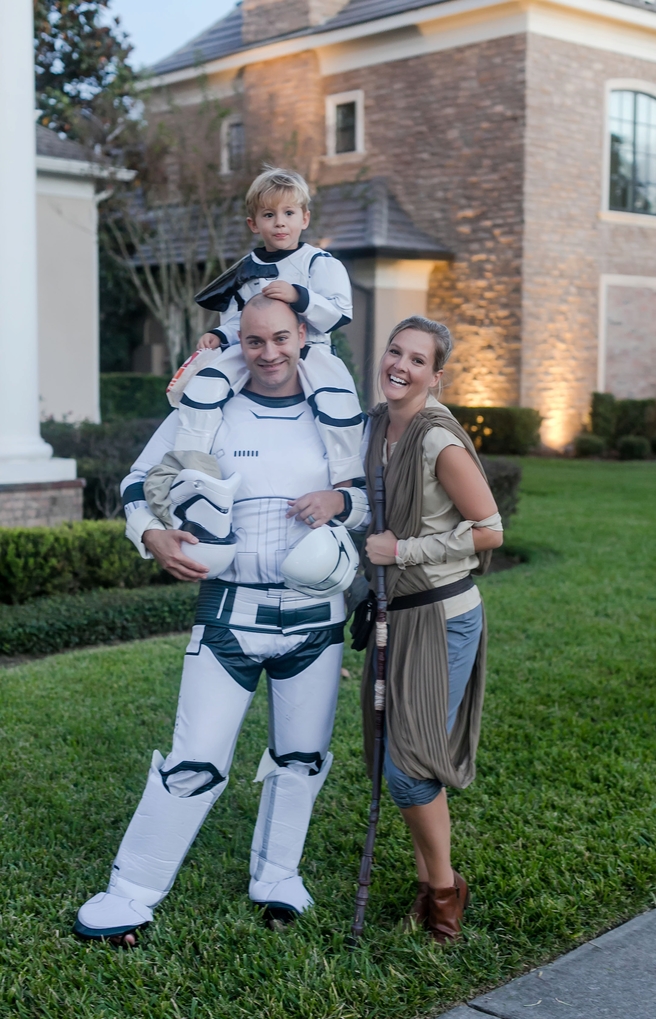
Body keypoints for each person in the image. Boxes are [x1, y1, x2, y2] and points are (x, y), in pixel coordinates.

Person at [75, 295, 369, 946]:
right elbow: (139, 481)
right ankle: (130, 893)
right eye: (255, 339)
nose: (268, 353)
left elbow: (376, 492)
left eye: (281, 338)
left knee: (301, 757)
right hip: (231, 610)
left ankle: (278, 877)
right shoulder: (209, 407)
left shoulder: (335, 411)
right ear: (238, 337)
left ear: (303, 336)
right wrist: (150, 533)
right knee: (195, 762)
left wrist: (342, 498)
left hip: (317, 615)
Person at [362, 315, 503, 945]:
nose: (402, 366)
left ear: (435, 375)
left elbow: (491, 530)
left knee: (409, 766)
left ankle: (444, 892)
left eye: (418, 360)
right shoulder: (376, 426)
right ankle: (428, 882)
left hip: (441, 615)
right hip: (397, 615)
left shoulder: (437, 440)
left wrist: (404, 551)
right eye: (396, 351)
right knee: (396, 756)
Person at [167, 166, 363, 487]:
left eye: (288, 213)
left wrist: (299, 296)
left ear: (305, 218)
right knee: (205, 383)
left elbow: (339, 312)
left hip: (312, 351)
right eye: (269, 215)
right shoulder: (246, 270)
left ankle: (347, 479)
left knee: (338, 400)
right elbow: (238, 320)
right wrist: (219, 335)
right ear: (254, 224)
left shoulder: (318, 263)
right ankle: (191, 464)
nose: (280, 222)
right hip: (255, 352)